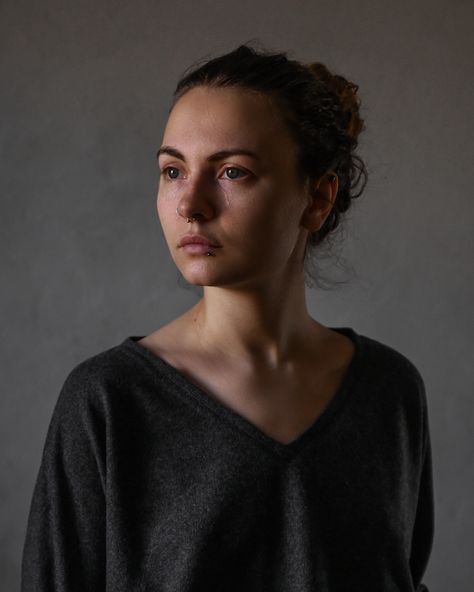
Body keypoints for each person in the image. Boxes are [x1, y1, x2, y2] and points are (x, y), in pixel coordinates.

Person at [21, 44, 434, 591]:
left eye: (232, 171)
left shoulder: (390, 390)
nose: (191, 203)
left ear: (317, 197)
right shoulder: (109, 401)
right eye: (172, 171)